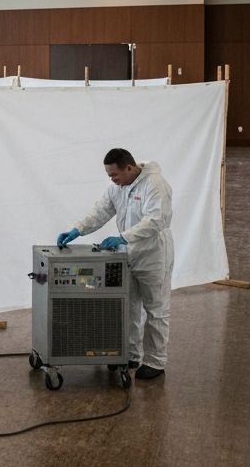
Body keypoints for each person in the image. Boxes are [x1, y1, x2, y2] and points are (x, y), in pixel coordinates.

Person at [56, 148, 174, 380]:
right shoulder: (118, 188)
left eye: (114, 175)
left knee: (156, 309)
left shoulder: (155, 184)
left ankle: (156, 362)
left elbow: (157, 220)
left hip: (153, 254)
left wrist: (123, 237)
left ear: (129, 168)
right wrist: (77, 229)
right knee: (128, 305)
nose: (112, 180)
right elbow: (101, 211)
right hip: (128, 254)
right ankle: (130, 354)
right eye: (110, 176)